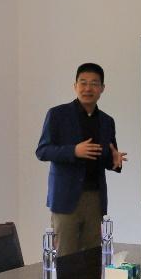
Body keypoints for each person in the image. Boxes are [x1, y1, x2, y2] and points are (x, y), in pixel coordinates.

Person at [36, 63, 127, 255]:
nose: (88, 88)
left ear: (102, 88)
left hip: (95, 198)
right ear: (75, 86)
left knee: (93, 256)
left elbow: (108, 156)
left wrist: (114, 161)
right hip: (65, 198)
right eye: (83, 83)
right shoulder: (58, 115)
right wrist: (74, 151)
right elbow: (43, 151)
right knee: (65, 256)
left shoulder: (106, 121)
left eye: (94, 83)